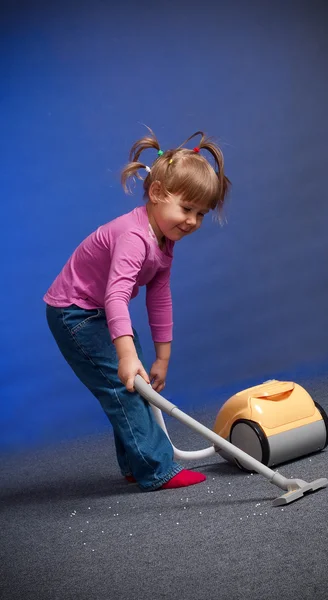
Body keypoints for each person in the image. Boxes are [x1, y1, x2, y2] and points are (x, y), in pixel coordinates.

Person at [44, 128, 231, 491]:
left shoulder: (163, 239)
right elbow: (116, 296)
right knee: (124, 386)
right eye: (186, 208)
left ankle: (134, 462)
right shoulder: (134, 237)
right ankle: (155, 468)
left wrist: (161, 358)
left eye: (201, 214)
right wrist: (126, 355)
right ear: (158, 194)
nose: (192, 221)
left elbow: (159, 294)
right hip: (75, 313)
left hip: (97, 312)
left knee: (137, 382)